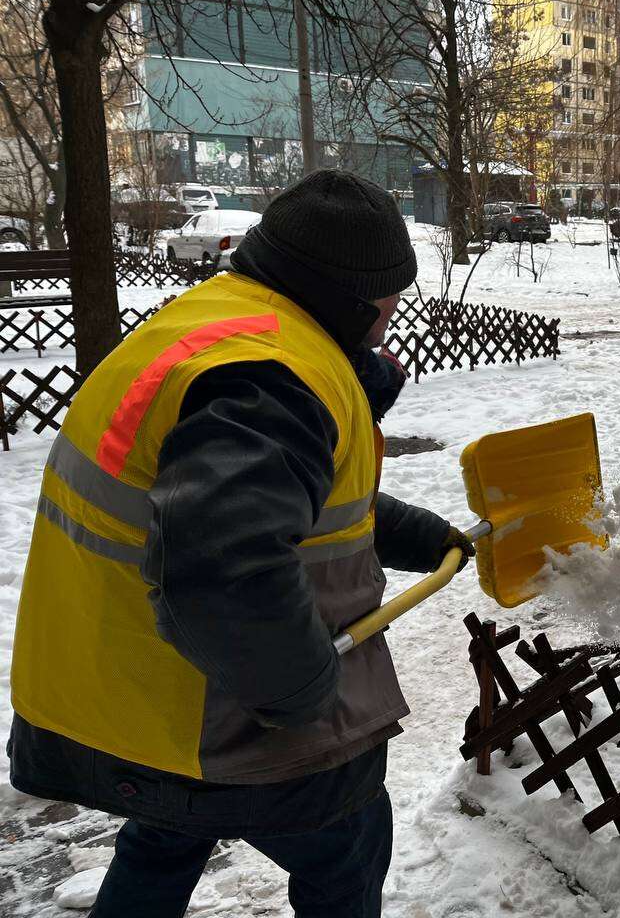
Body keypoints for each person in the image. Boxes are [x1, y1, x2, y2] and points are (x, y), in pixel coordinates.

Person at [7, 170, 475, 917]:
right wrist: (300, 692)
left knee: (165, 835)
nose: (393, 316)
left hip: (127, 699)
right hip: (215, 720)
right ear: (357, 301)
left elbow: (278, 504)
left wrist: (424, 535)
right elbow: (223, 567)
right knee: (347, 838)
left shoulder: (212, 323)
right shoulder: (276, 379)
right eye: (392, 299)